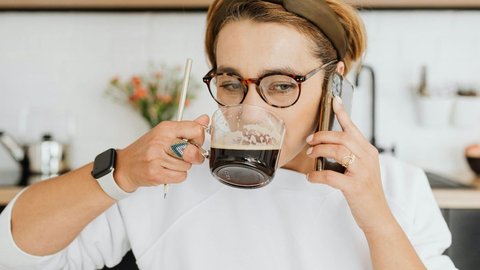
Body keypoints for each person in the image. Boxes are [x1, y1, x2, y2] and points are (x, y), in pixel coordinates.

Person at [0, 0, 456, 269]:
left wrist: (376, 217)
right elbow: (13, 254)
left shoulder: (395, 186)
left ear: (335, 83)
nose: (250, 111)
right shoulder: (165, 180)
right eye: (232, 84)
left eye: (281, 85)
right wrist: (119, 172)